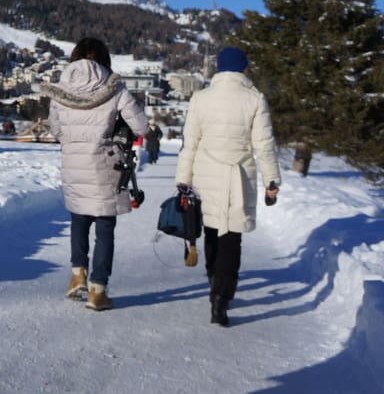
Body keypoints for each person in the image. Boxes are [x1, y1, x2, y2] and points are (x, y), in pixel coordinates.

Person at [175, 46, 281, 326]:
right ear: (243, 68)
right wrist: (272, 181)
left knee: (211, 231)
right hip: (239, 178)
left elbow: (190, 144)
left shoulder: (201, 98)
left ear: (219, 69)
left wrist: (183, 181)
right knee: (232, 238)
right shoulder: (255, 99)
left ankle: (214, 281)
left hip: (205, 175)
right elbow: (264, 146)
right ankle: (221, 299)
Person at [43, 38, 149, 311]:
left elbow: (55, 129)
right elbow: (141, 127)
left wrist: (75, 140)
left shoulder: (60, 89)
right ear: (104, 59)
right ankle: (97, 291)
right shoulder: (114, 88)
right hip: (105, 165)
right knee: (104, 228)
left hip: (73, 163)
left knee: (79, 220)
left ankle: (77, 274)